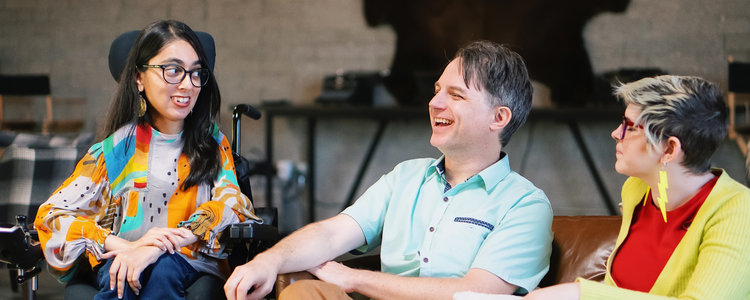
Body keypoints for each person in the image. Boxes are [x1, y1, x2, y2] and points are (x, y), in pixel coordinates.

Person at [224, 40, 553, 300]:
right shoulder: (405, 177)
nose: (435, 103)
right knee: (302, 292)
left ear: (499, 118)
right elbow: (332, 233)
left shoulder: (525, 205)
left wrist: (356, 278)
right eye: (437, 90)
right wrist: (269, 261)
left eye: (456, 95)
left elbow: (477, 293)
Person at [34, 20, 260, 300]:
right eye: (173, 70)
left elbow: (232, 204)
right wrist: (124, 246)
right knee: (124, 274)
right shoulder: (114, 150)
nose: (188, 85)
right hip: (124, 262)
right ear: (138, 79)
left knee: (163, 268)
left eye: (196, 73)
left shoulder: (211, 144)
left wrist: (159, 246)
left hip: (190, 264)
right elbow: (51, 215)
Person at [525, 75, 750, 300]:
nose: (615, 133)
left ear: (670, 149)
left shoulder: (738, 210)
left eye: (629, 128)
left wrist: (581, 293)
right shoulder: (637, 190)